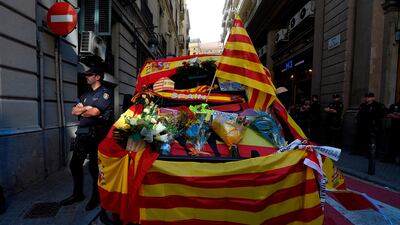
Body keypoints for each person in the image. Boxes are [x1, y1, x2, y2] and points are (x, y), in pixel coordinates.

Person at [60, 67, 113, 211]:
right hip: (82, 134)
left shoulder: (106, 93)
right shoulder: (85, 95)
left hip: (96, 135)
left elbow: (95, 112)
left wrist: (84, 110)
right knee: (74, 164)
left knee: (94, 168)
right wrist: (86, 108)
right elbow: (73, 111)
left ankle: (96, 198)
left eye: (89, 75)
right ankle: (78, 194)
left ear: (97, 77)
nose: (86, 77)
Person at [355, 92, 386, 175]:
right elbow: (359, 114)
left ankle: (374, 155)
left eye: (369, 97)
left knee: (373, 143)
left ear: (373, 98)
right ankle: (365, 152)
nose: (367, 99)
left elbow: (381, 116)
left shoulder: (378, 105)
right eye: (366, 97)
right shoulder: (363, 105)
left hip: (374, 128)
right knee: (365, 141)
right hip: (363, 127)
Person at [384, 99, 400, 164]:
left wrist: (394, 115)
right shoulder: (394, 105)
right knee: (392, 143)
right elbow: (387, 115)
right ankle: (390, 158)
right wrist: (397, 115)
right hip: (394, 128)